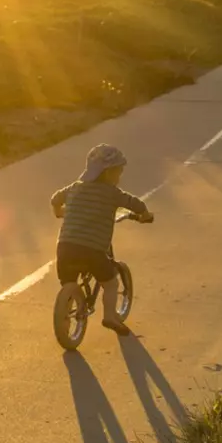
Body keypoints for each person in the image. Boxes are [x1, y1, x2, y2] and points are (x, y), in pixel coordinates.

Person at [51, 143, 154, 337]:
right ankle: (110, 316)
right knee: (110, 282)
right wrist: (145, 215)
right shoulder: (111, 193)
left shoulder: (74, 188)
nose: (120, 176)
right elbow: (136, 204)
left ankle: (66, 315)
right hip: (93, 249)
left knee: (69, 282)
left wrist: (60, 213)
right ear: (108, 173)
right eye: (119, 172)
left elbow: (55, 199)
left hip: (65, 248)